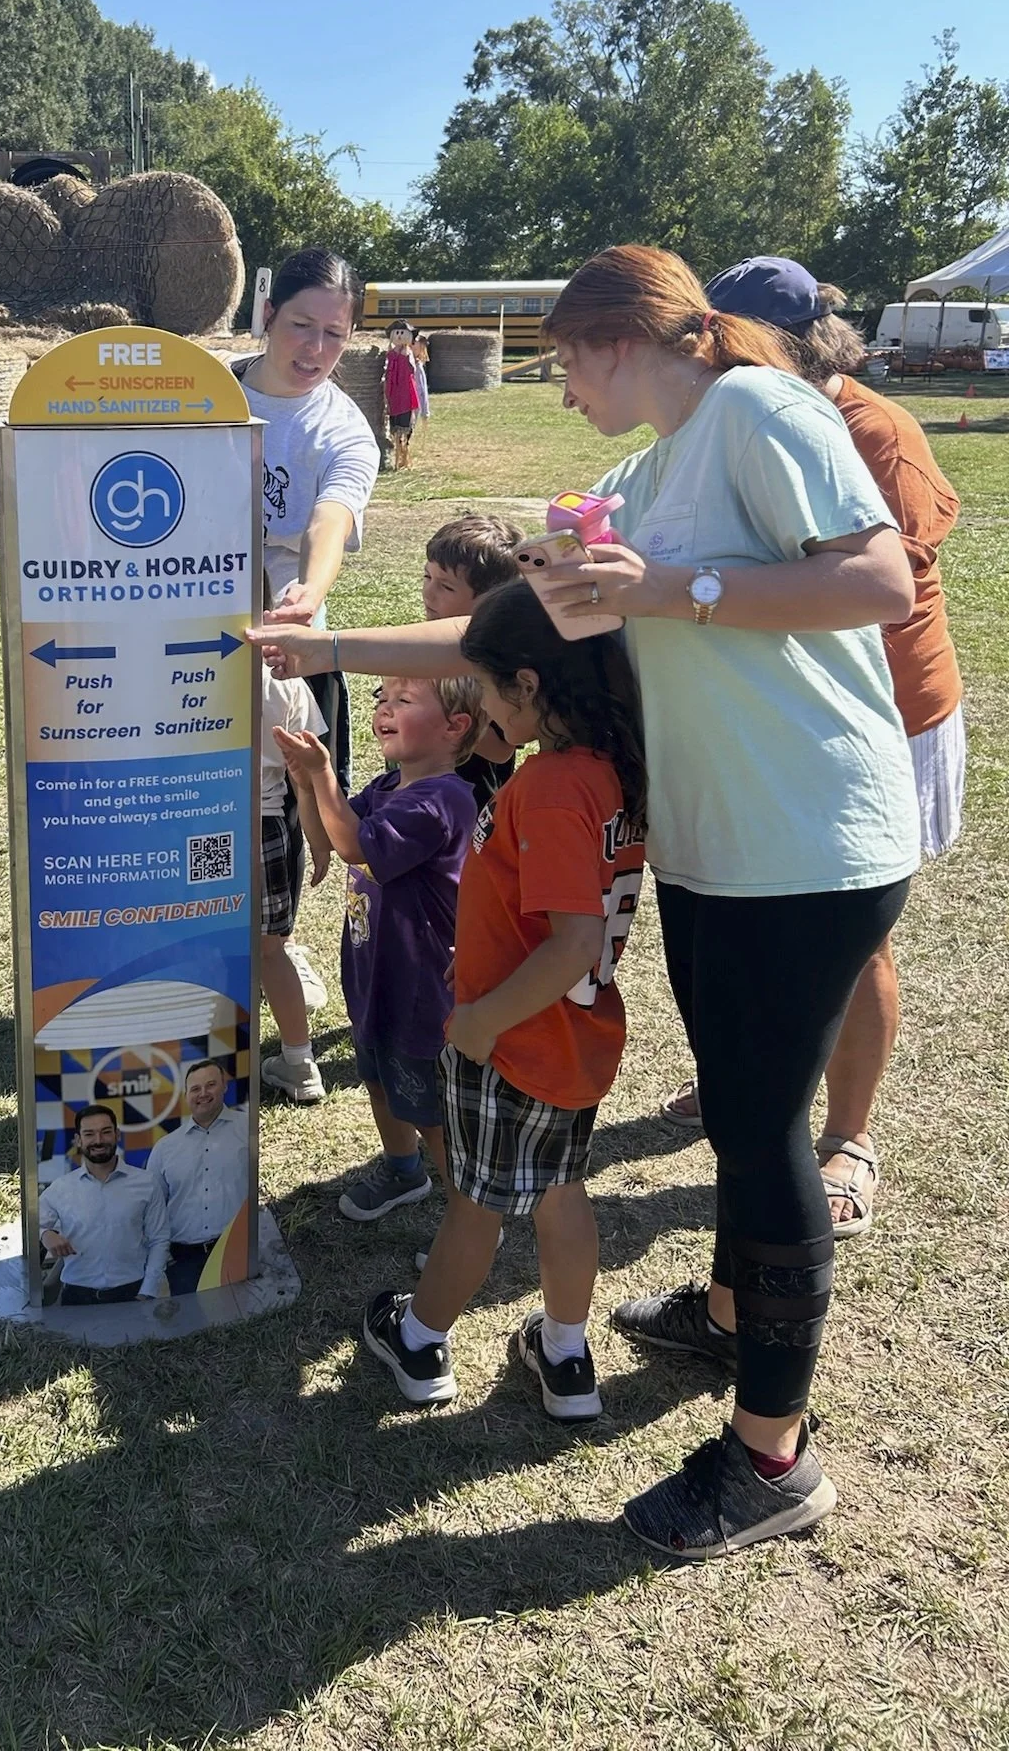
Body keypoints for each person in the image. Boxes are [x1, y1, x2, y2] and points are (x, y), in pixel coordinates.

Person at [253, 244, 920, 1558]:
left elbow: (879, 580)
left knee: (761, 1134)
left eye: (563, 358)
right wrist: (329, 648)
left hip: (812, 836)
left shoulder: (758, 411)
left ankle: (770, 1457)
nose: (558, 389)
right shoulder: (637, 475)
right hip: (722, 847)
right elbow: (507, 631)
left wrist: (672, 592)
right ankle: (734, 1320)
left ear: (621, 338)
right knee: (741, 1111)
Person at [658, 258, 964, 1243]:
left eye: (729, 335)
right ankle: (767, 1082)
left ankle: (850, 1135)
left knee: (853, 927)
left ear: (794, 339)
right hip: (789, 715)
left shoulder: (870, 429)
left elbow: (884, 578)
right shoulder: (736, 415)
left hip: (892, 713)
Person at [358, 582, 647, 1418]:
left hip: (517, 1039)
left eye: (485, 690)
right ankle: (564, 1358)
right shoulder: (610, 768)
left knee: (475, 1207)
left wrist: (481, 1021)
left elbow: (572, 940)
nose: (481, 714)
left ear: (528, 684)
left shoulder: (555, 786)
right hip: (573, 1040)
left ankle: (417, 1339)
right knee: (562, 1195)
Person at [276, 674, 481, 1222]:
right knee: (377, 1077)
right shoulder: (390, 787)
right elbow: (328, 835)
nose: (385, 708)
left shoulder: (441, 800)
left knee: (430, 1110)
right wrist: (303, 781)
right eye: (381, 698)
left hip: (421, 987)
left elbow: (355, 845)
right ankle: (402, 1169)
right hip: (375, 973)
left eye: (404, 700)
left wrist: (322, 772)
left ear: (454, 727)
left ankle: (472, 1221)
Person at [235, 247, 381, 795]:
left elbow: (331, 518)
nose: (316, 349)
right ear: (269, 314)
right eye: (301, 325)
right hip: (190, 617)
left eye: (335, 334)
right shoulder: (204, 394)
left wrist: (308, 595)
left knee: (291, 800)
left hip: (287, 634)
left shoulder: (344, 431)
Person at [257, 656, 333, 1104]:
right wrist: (316, 836)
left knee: (206, 943)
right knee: (271, 951)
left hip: (198, 820)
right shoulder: (285, 682)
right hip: (268, 827)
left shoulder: (177, 662)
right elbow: (305, 772)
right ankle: (300, 1061)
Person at [421, 513, 524, 811]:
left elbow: (501, 750)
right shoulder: (420, 647)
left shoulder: (498, 659)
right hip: (415, 798)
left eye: (446, 586)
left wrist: (435, 708)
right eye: (427, 577)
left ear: (490, 599)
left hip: (472, 810)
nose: (429, 592)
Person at [39, 1107, 169, 1305]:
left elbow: (159, 1239)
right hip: (76, 1299)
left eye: (105, 1132)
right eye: (89, 1134)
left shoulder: (147, 1183)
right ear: (78, 1140)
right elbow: (30, 1224)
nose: (98, 1140)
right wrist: (45, 1234)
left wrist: (147, 1291)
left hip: (132, 1295)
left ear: (117, 1135)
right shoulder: (61, 1188)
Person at [146, 1061, 251, 1294]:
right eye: (195, 1089)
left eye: (210, 1085)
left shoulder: (250, 1129)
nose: (202, 1093)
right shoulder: (165, 1148)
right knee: (195, 1329)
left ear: (224, 1086)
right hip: (184, 1261)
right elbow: (152, 1210)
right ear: (186, 1096)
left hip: (238, 1249)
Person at [384, 320, 420, 472]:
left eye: (402, 333)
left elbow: (413, 371)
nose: (399, 336)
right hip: (393, 393)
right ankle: (397, 457)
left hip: (405, 392)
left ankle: (404, 457)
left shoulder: (408, 354)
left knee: (405, 426)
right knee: (394, 426)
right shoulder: (390, 354)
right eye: (396, 333)